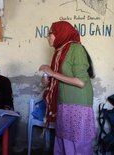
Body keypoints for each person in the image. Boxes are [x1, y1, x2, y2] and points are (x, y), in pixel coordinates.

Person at [39, 21, 95, 155]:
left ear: (60, 33)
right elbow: (61, 79)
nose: (47, 37)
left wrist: (52, 73)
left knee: (77, 144)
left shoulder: (76, 48)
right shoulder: (60, 51)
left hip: (78, 104)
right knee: (64, 142)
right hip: (64, 103)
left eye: (50, 34)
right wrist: (49, 82)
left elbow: (81, 82)